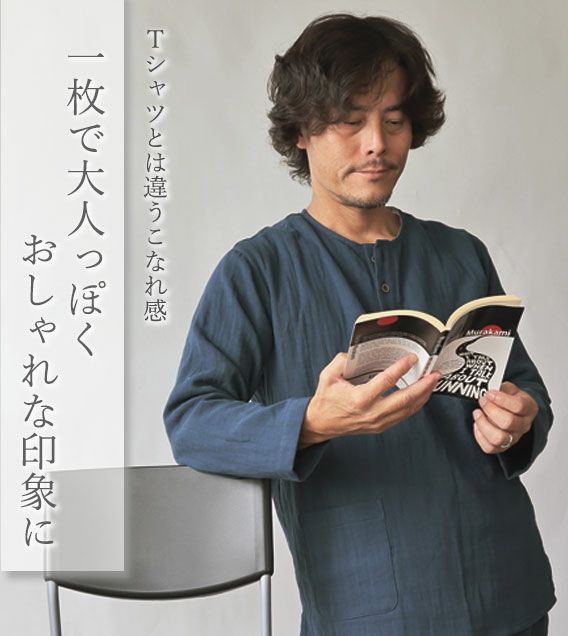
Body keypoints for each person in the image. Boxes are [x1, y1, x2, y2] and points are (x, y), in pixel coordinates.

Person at [164, 14, 554, 635]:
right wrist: (312, 422)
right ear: (301, 131)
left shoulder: (461, 254)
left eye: (394, 121)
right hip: (366, 602)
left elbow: (526, 389)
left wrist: (518, 420)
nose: (377, 143)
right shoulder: (257, 271)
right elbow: (192, 422)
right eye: (351, 120)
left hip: (506, 589)